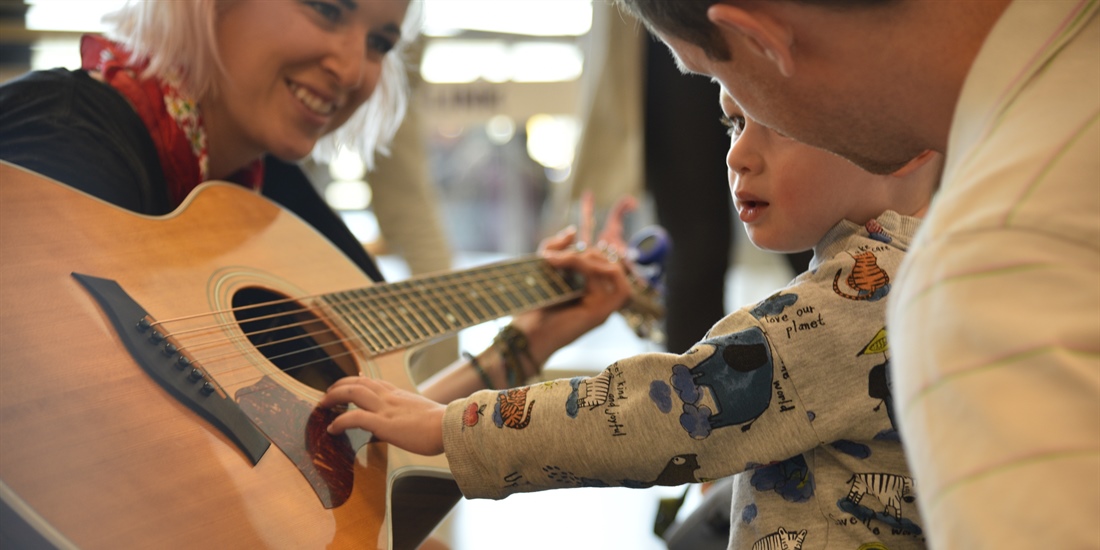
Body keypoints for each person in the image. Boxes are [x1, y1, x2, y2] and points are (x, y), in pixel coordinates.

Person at [0, 1, 634, 545]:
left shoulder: (272, 200)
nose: (353, 68)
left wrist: (525, 344)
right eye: (327, 8)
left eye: (381, 42)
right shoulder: (62, 128)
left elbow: (351, 446)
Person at [320, 87, 944, 549]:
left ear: (905, 139)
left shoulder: (857, 296)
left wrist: (454, 427)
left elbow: (668, 408)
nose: (739, 155)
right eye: (733, 121)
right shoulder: (924, 271)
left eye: (776, 122)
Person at [613, 1, 1100, 548]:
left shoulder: (978, 273)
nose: (735, 157)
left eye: (741, 103)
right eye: (731, 125)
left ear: (764, 42)